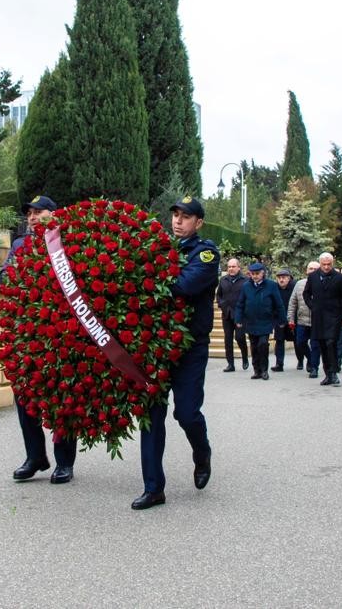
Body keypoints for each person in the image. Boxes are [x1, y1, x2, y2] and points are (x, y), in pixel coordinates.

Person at [133, 197, 219, 510]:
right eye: (175, 215)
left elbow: (183, 285)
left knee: (185, 412)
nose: (178, 221)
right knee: (151, 414)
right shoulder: (159, 248)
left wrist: (145, 279)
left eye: (186, 217)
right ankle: (153, 487)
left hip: (190, 346)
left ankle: (202, 451)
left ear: (199, 222)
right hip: (156, 345)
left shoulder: (206, 253)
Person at [3, 195, 76, 483]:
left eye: (39, 212)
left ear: (53, 214)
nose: (32, 217)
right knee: (24, 394)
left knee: (61, 396)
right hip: (26, 331)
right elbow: (4, 275)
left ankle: (64, 462)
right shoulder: (20, 245)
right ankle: (35, 456)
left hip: (60, 331)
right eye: (29, 213)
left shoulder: (64, 243)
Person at [303, 252, 342, 386]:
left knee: (331, 343)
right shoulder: (313, 276)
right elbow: (306, 293)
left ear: (332, 263)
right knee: (323, 345)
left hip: (334, 316)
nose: (326, 267)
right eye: (323, 264)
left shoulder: (340, 278)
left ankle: (334, 372)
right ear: (320, 264)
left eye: (328, 264)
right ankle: (328, 374)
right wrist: (313, 306)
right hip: (318, 317)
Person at [235, 262, 286, 380]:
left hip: (265, 321)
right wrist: (238, 319)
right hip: (251, 321)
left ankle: (264, 370)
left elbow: (279, 304)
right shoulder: (246, 286)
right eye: (252, 274)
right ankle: (256, 370)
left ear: (263, 273)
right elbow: (240, 304)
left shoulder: (271, 285)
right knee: (253, 346)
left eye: (257, 273)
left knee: (263, 344)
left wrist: (282, 320)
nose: (255, 276)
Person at [216, 258, 248, 373]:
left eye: (233, 266)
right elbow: (218, 295)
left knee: (239, 337)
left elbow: (248, 296)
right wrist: (222, 304)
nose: (231, 269)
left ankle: (245, 356)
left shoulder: (245, 280)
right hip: (227, 314)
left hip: (240, 315)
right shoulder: (223, 280)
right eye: (229, 267)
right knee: (228, 339)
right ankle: (230, 364)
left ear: (238, 267)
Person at [289, 261, 320, 374]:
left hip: (317, 321)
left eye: (315, 269)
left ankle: (314, 368)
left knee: (315, 345)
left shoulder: (323, 284)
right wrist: (291, 319)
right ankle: (311, 359)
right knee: (300, 342)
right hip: (302, 320)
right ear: (306, 270)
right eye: (310, 269)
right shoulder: (299, 284)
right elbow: (293, 302)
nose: (312, 271)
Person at [271, 268, 296, 372]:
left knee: (298, 342)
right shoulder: (274, 288)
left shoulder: (294, 287)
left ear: (289, 278)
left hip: (293, 319)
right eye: (279, 278)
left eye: (284, 278)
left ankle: (303, 361)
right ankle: (279, 364)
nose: (281, 280)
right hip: (279, 319)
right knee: (279, 341)